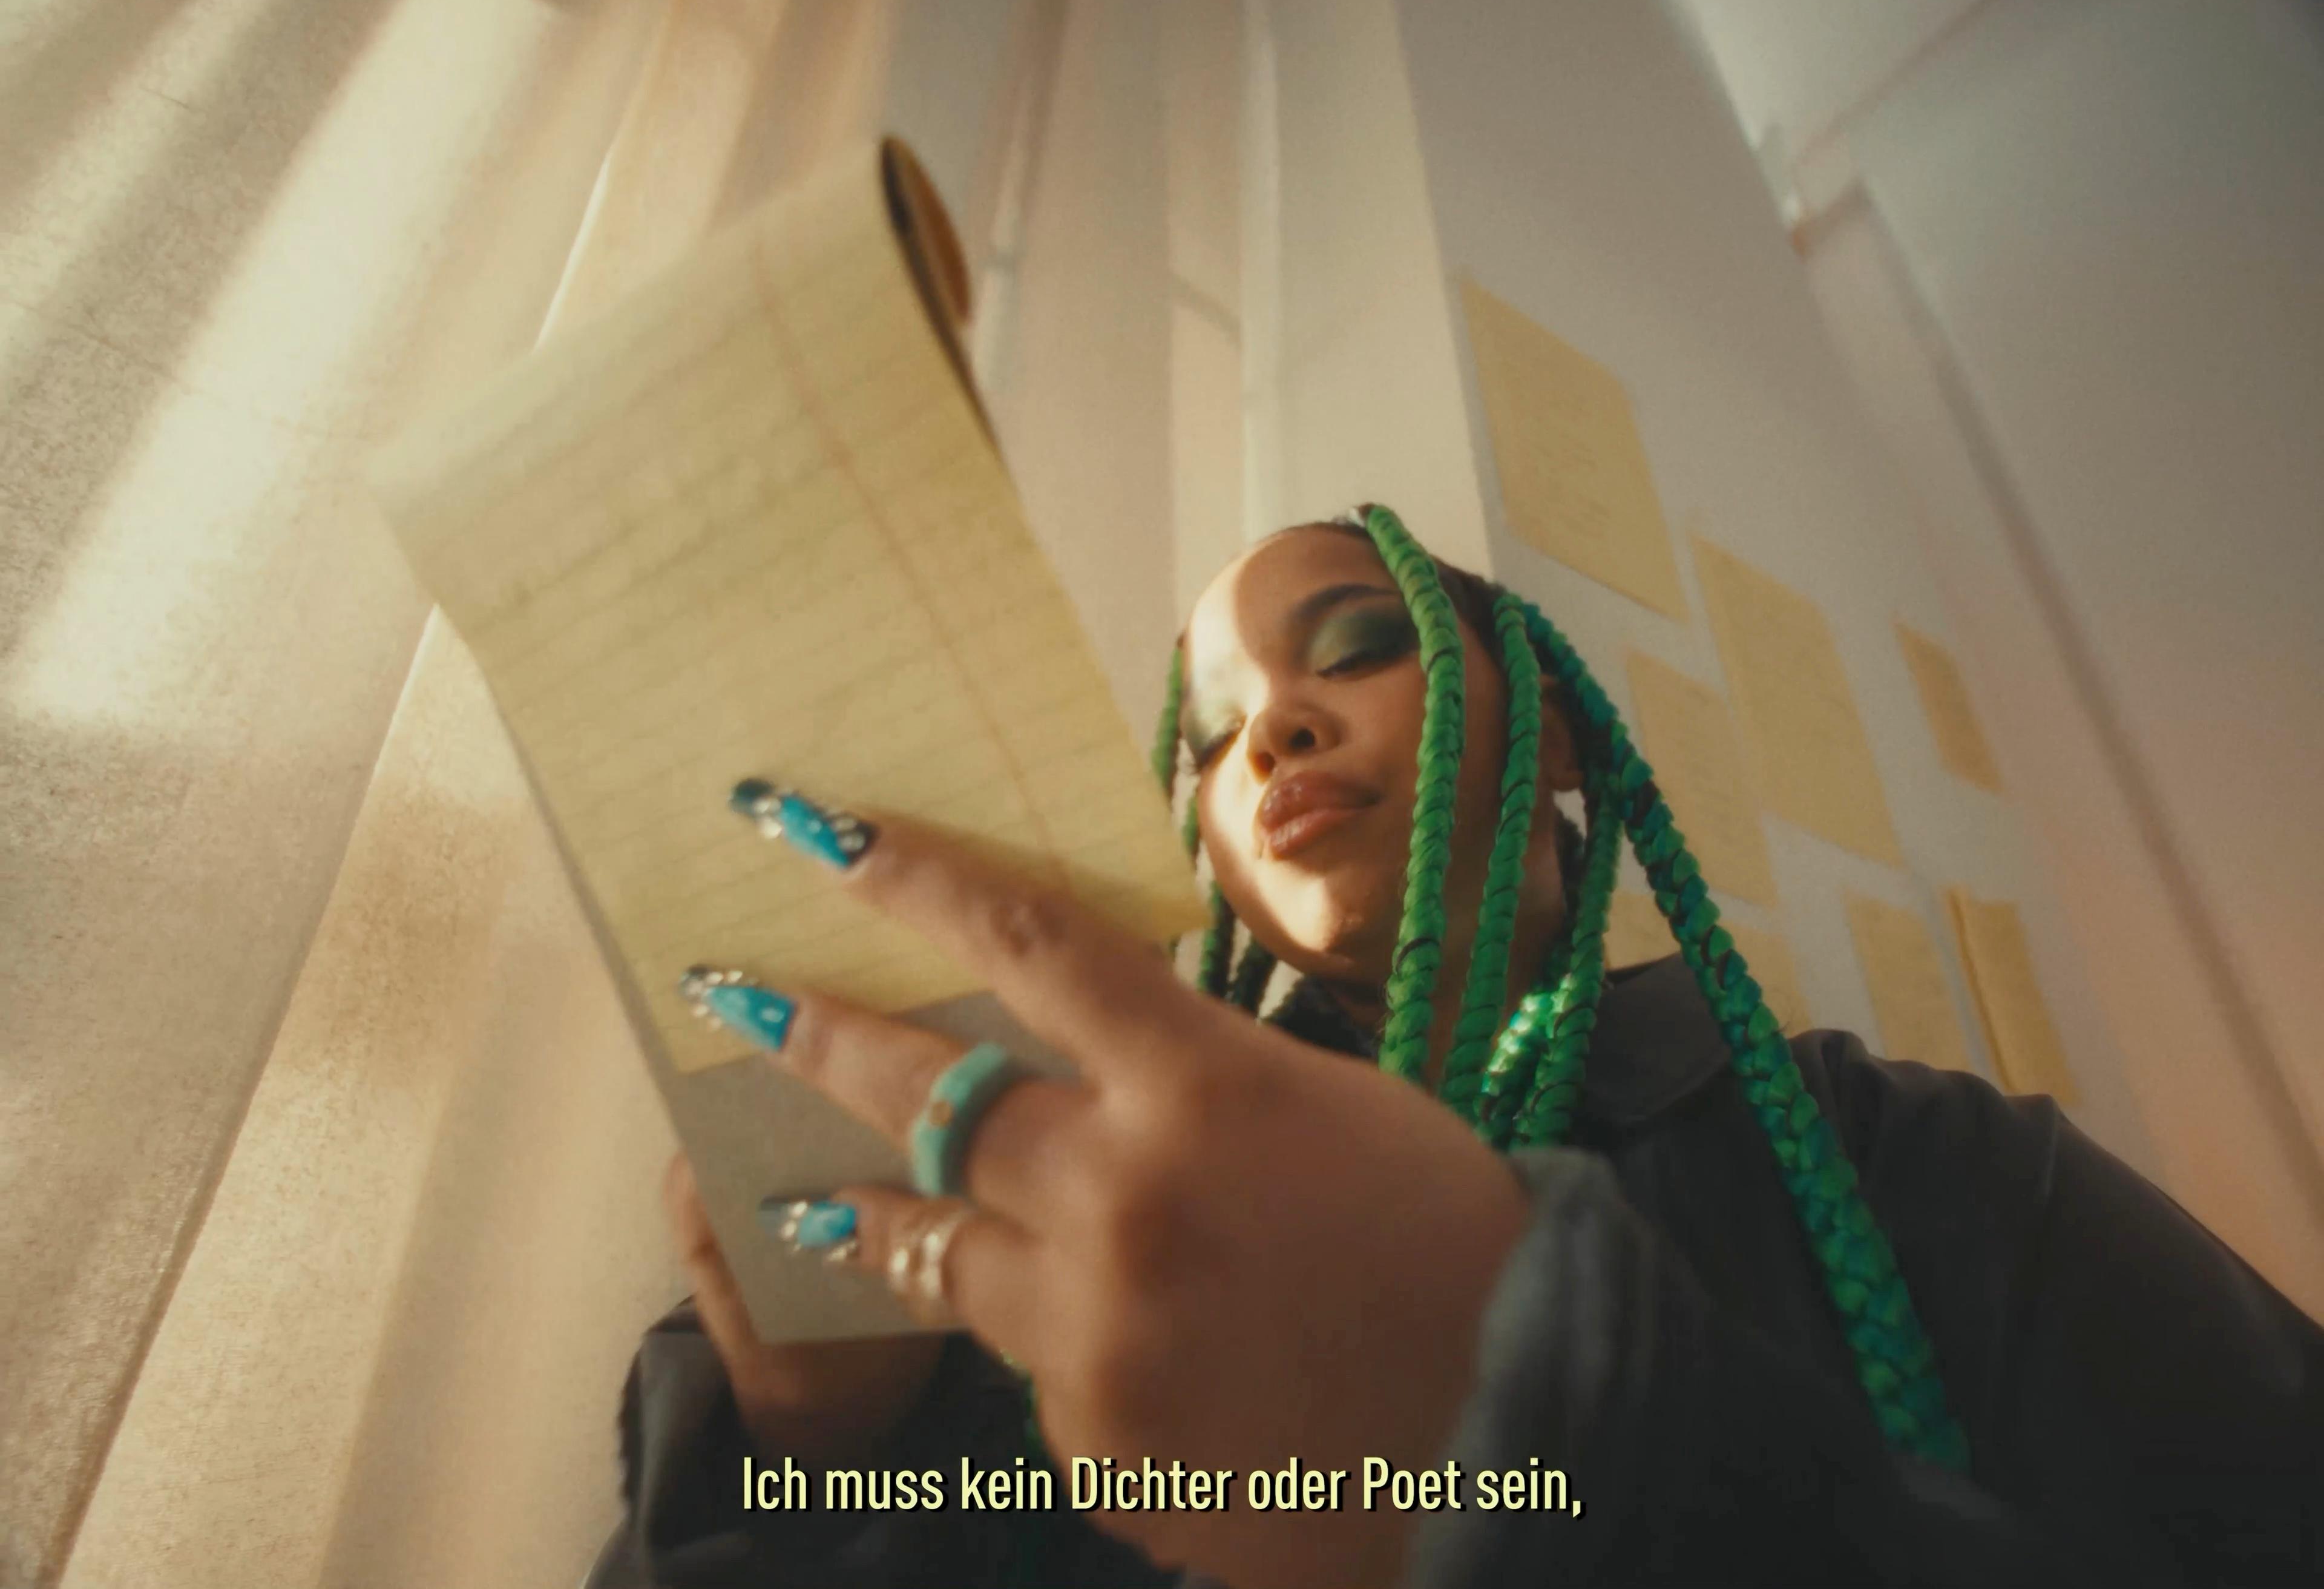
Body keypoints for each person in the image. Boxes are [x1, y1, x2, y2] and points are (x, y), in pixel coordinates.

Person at [584, 504, 2322, 1589]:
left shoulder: (1914, 1163)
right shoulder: (1061, 1218)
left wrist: (1597, 1455)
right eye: (1211, 738)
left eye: (1351, 646)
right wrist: (808, 1455)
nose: (1273, 727)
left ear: (1553, 725)